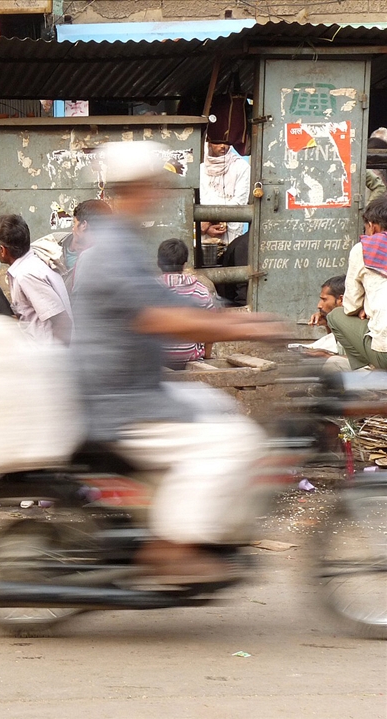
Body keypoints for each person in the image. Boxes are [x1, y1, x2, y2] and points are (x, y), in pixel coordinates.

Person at [72, 140, 285, 582]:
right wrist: (245, 327)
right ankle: (172, 548)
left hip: (138, 389)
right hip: (122, 403)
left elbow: (164, 303)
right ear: (135, 189)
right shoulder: (112, 249)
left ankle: (188, 522)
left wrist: (232, 322)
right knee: (232, 443)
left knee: (224, 413)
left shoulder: (125, 242)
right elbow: (162, 317)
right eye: (154, 186)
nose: (159, 194)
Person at [0, 214, 73, 345]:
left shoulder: (27, 274)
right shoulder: (27, 264)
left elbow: (62, 322)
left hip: (42, 354)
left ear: (2, 250)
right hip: (33, 344)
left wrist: (57, 362)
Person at [327, 196, 387, 370]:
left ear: (372, 226)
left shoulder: (364, 249)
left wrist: (364, 308)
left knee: (335, 316)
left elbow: (350, 306)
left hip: (384, 352)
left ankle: (367, 374)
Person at [156, 238, 216, 368]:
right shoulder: (201, 289)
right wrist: (207, 356)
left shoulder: (149, 289)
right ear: (184, 264)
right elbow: (211, 329)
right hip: (190, 359)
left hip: (157, 360)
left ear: (158, 263)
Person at [199, 137, 250, 248]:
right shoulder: (201, 169)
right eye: (218, 141)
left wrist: (209, 220)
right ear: (209, 143)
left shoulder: (241, 167)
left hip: (231, 232)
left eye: (227, 142)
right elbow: (196, 200)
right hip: (204, 235)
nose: (223, 146)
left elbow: (239, 202)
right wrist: (205, 227)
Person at [63, 199, 112, 291]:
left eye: (74, 223)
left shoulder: (93, 258)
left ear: (84, 225)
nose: (73, 228)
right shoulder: (55, 244)